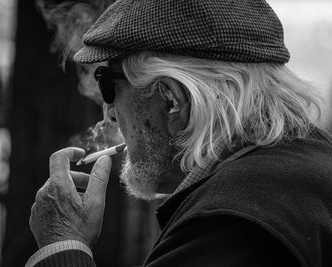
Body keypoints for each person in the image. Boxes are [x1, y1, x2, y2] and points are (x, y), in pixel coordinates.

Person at [27, 0, 332, 266]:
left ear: (171, 99)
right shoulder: (314, 161)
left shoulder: (225, 225)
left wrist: (62, 244)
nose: (108, 111)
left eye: (109, 84)